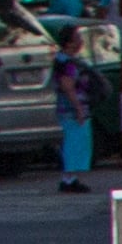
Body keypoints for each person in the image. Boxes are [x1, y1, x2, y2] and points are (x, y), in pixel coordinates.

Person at [49, 39, 97, 191]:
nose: (80, 42)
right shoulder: (66, 63)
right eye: (76, 38)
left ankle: (71, 177)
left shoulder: (66, 61)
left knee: (75, 143)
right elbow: (67, 86)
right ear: (69, 42)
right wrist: (78, 108)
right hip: (71, 110)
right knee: (74, 143)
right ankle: (69, 178)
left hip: (72, 108)